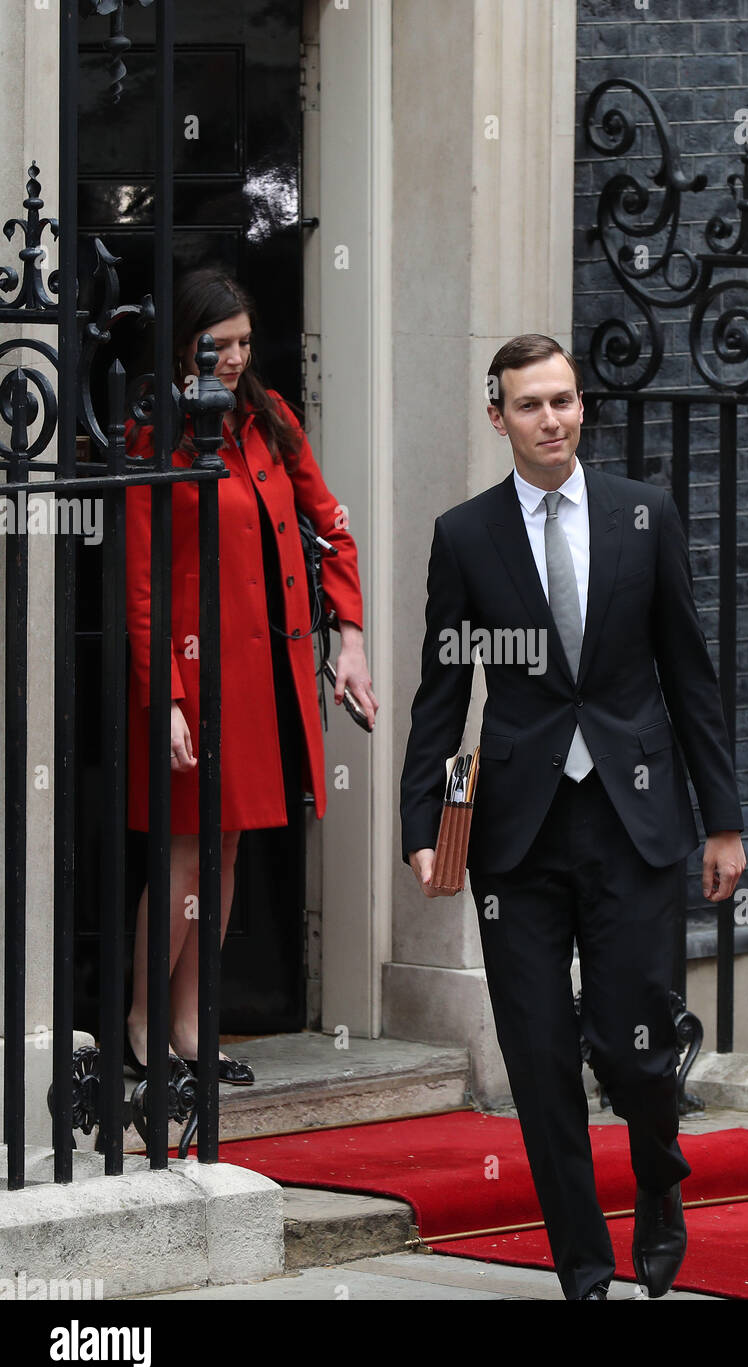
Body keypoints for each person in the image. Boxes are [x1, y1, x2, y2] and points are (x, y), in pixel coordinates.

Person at [400, 334, 745, 1300]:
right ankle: (584, 1266)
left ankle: (659, 1180)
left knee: (631, 1043)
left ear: (579, 406)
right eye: (529, 406)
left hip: (636, 823)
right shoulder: (465, 536)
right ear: (496, 417)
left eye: (563, 401)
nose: (550, 420)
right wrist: (422, 820)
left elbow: (690, 674)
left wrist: (722, 820)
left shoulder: (644, 515)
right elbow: (441, 690)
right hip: (517, 833)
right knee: (541, 1054)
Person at [125, 268, 378, 1085]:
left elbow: (332, 526)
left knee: (224, 851)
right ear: (180, 346)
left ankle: (195, 1023)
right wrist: (163, 693)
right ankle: (142, 1020)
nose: (233, 359)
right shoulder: (150, 433)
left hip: (260, 674)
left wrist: (350, 635)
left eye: (241, 343)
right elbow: (141, 578)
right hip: (188, 678)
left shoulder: (269, 421)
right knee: (183, 855)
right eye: (215, 346)